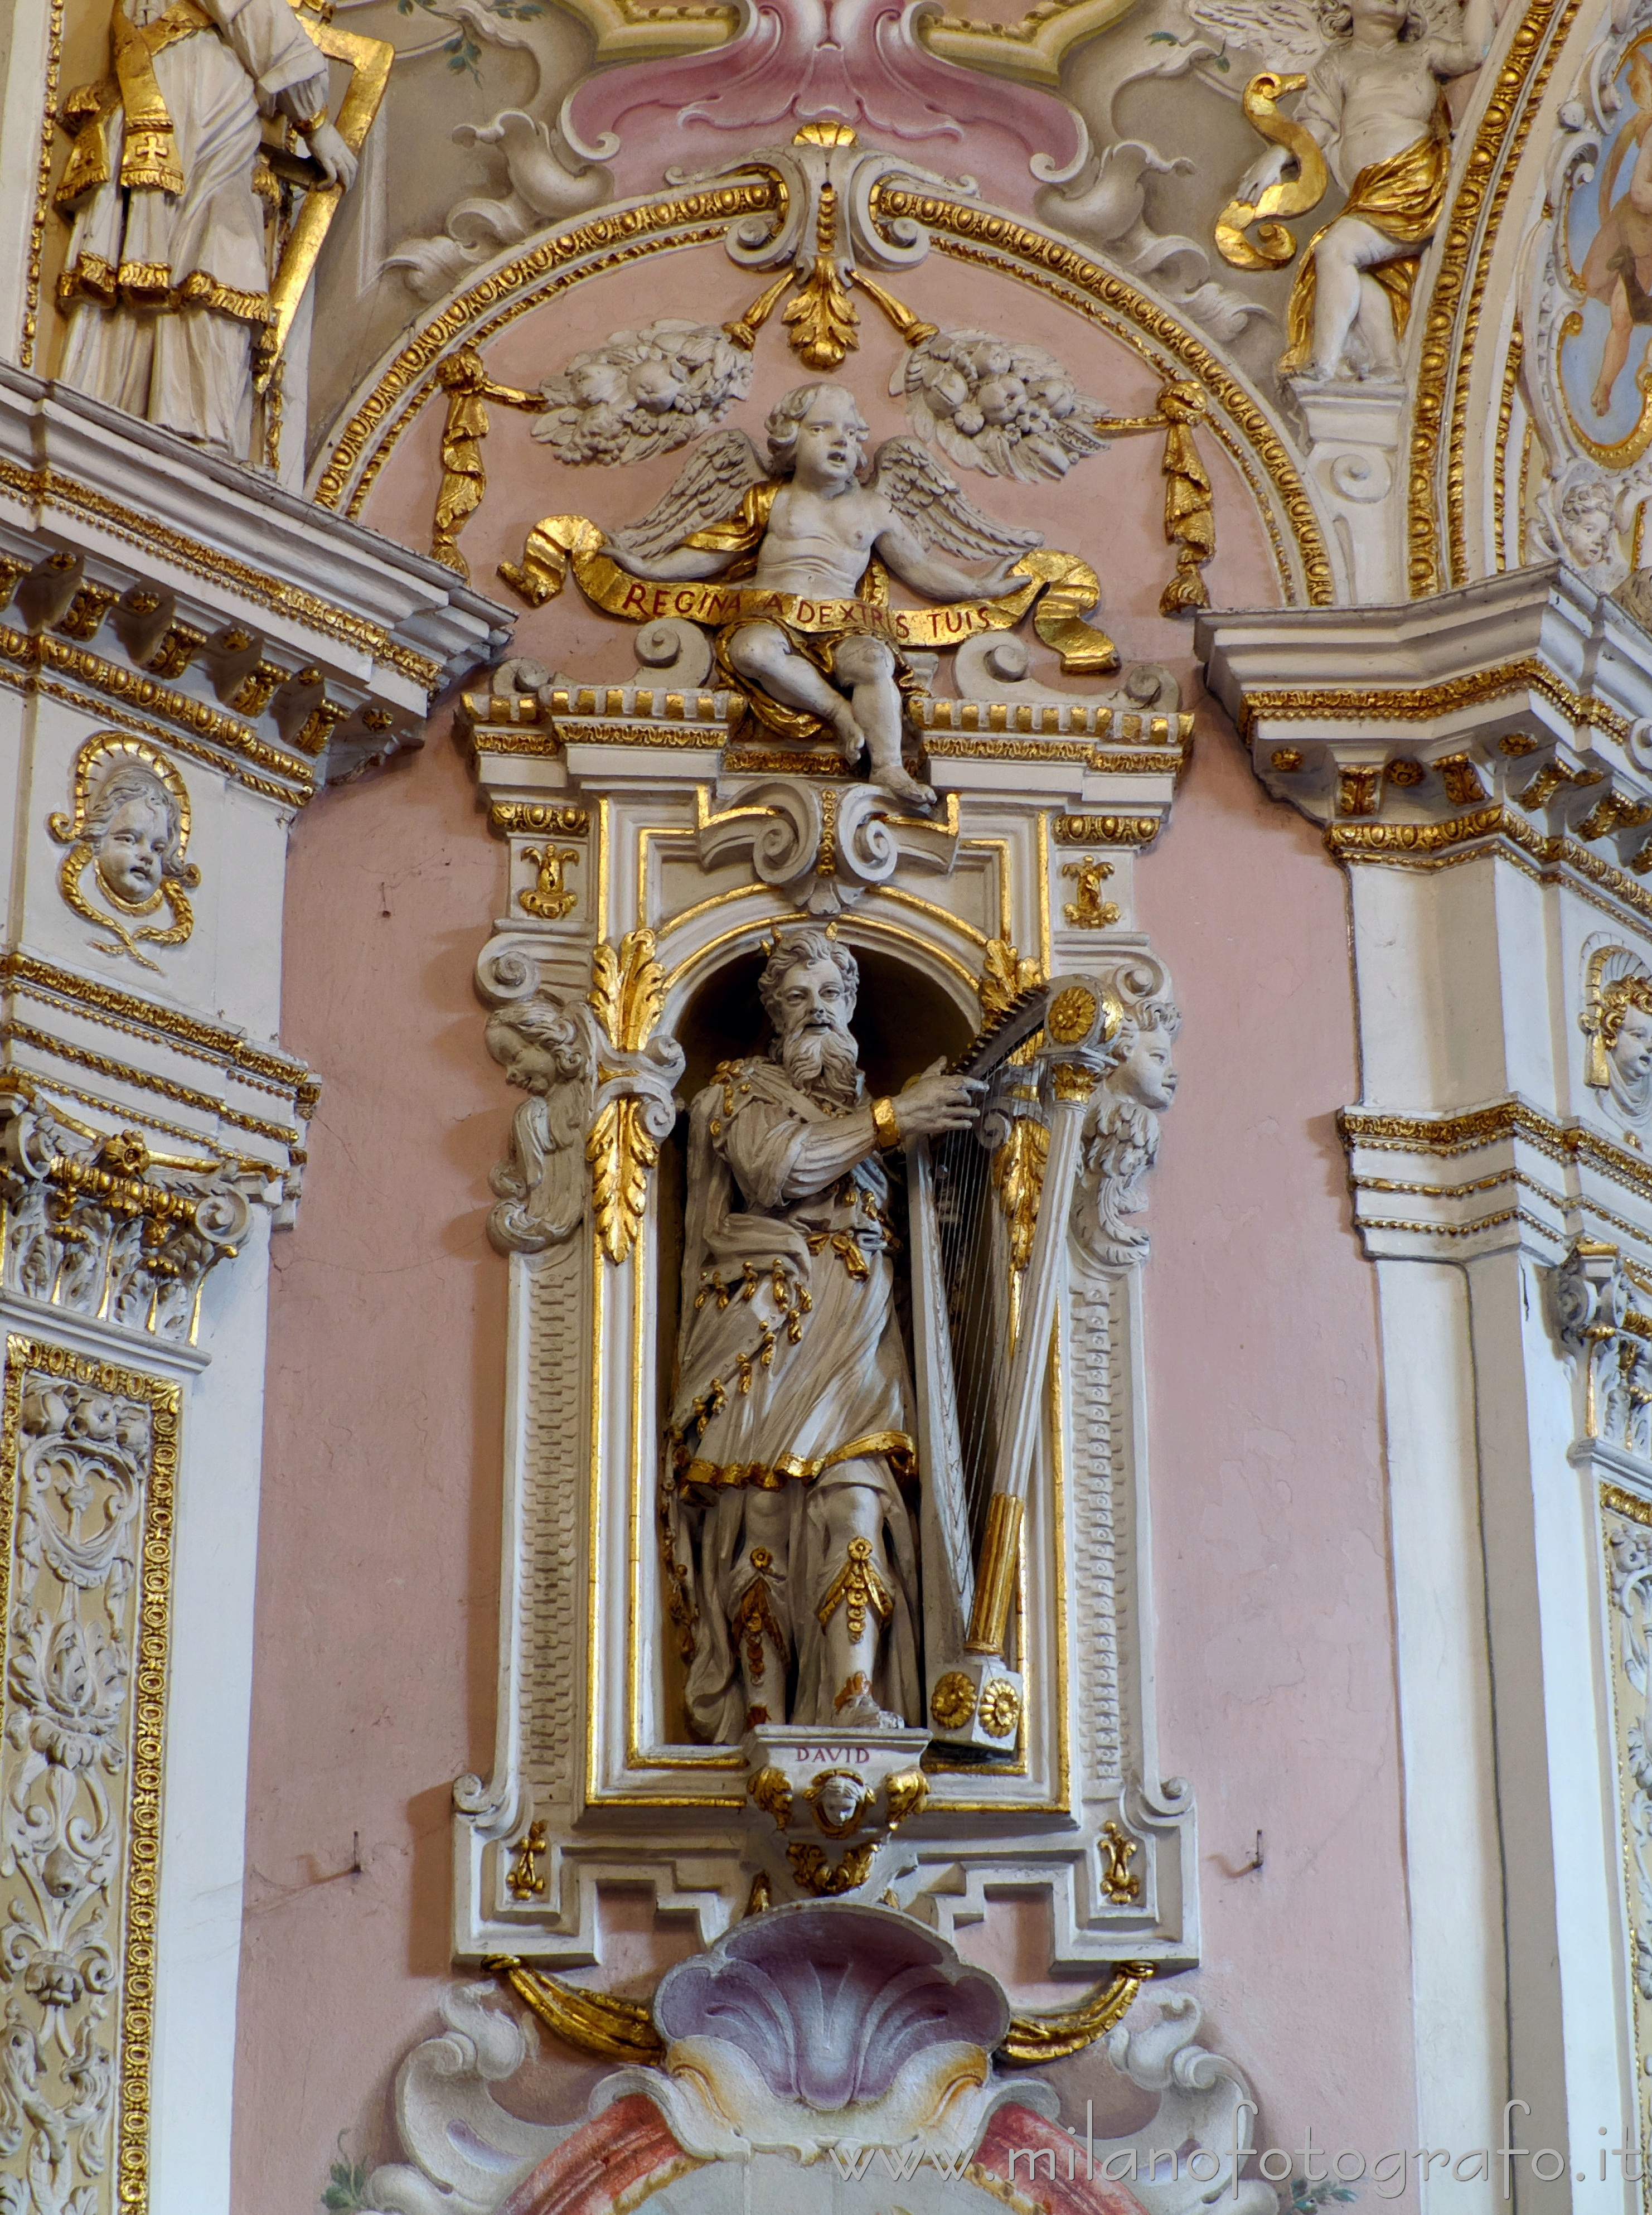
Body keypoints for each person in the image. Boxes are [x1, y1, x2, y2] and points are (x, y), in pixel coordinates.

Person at [665, 927, 980, 1739]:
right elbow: (777, 1171)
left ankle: (852, 1698)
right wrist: (889, 1119)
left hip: (859, 1336)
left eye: (830, 998)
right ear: (773, 1015)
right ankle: (763, 1712)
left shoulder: (877, 1126)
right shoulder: (737, 1094)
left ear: (848, 1009)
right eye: (797, 998)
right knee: (761, 1522)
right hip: (765, 1331)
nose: (816, 1013)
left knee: (856, 1502)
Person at [605, 384, 1029, 809]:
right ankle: (837, 712)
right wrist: (653, 570)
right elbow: (718, 548)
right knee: (751, 651)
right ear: (791, 439)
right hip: (773, 614)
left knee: (874, 662)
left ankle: (887, 764)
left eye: (850, 432)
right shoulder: (771, 498)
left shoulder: (873, 507)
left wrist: (976, 588)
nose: (840, 440)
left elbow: (917, 567)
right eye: (821, 429)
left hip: (842, 619)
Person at [55, 0, 359, 454]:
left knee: (188, 245)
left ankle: (153, 406)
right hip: (196, 90)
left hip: (179, 84)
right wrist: (314, 122)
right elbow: (253, 12)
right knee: (214, 245)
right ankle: (190, 421)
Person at [1237, 0, 1493, 380]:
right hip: (1370, 190)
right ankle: (1386, 363)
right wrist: (1275, 157)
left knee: (1335, 249)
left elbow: (1473, 52)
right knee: (1353, 270)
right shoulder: (1336, 63)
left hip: (1415, 181)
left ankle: (1321, 365)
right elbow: (1317, 123)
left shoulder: (1421, 52)